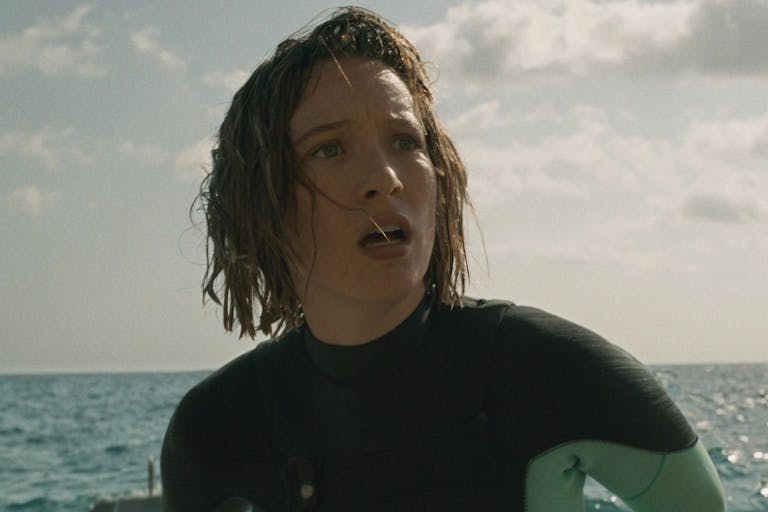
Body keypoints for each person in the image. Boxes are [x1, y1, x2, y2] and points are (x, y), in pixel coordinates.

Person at [161, 7, 726, 512]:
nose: (384, 179)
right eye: (329, 149)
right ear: (261, 202)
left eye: (406, 142)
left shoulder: (550, 373)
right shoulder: (217, 428)